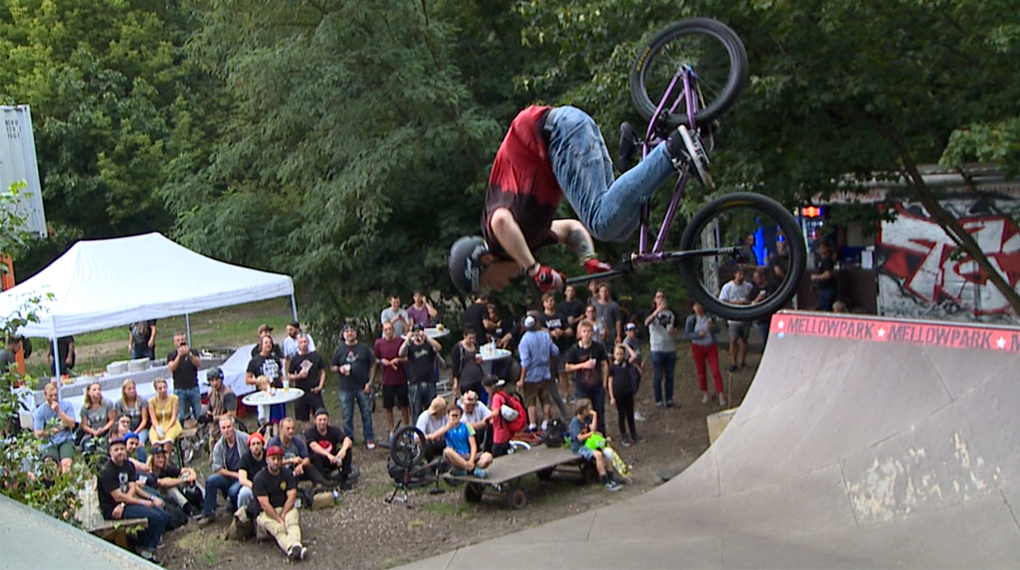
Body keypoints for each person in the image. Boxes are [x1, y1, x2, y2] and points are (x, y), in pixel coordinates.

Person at [448, 105, 710, 293]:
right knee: (620, 229)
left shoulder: (497, 238)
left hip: (557, 136)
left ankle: (671, 149)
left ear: (485, 260)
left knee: (601, 222)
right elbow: (571, 229)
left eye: (487, 283)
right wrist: (588, 257)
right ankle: (649, 150)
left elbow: (501, 222)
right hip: (570, 133)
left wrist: (534, 269)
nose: (498, 287)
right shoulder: (528, 238)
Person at [98, 437, 170, 562]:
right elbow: (117, 496)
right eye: (116, 450)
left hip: (125, 503)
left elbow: (133, 487)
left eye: (122, 449)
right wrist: (141, 502)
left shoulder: (129, 465)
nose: (120, 452)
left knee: (163, 515)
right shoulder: (107, 471)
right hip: (113, 509)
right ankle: (145, 551)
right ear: (110, 453)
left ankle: (144, 544)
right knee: (154, 517)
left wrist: (151, 498)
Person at [252, 445, 306, 561]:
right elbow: (264, 504)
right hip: (265, 513)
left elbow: (292, 496)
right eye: (273, 459)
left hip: (284, 507)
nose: (276, 462)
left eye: (278, 459)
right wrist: (279, 519)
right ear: (267, 460)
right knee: (278, 529)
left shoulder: (286, 474)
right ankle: (291, 547)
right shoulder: (259, 478)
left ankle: (295, 547)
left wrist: (284, 513)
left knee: (292, 523)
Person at [330, 325, 376, 449]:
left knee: (366, 413)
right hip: (345, 388)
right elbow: (332, 366)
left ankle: (369, 438)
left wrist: (370, 382)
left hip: (362, 386)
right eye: (347, 331)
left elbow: (373, 364)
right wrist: (339, 368)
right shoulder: (339, 349)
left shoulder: (364, 348)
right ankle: (349, 439)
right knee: (347, 415)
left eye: (352, 331)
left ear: (356, 333)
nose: (349, 333)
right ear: (343, 334)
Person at [563, 319, 610, 434]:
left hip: (597, 386)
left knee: (599, 413)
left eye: (589, 331)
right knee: (583, 413)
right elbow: (568, 367)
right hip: (581, 387)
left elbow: (604, 364)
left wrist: (605, 382)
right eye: (584, 331)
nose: (587, 334)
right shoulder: (574, 349)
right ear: (580, 333)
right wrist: (582, 365)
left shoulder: (598, 347)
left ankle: (601, 437)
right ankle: (584, 435)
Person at [200, 416, 249, 525]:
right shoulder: (219, 446)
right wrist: (234, 474)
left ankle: (233, 507)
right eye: (223, 428)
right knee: (211, 480)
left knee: (233, 491)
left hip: (244, 476)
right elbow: (217, 468)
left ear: (233, 427)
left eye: (228, 427)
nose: (226, 430)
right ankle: (209, 513)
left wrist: (242, 474)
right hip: (230, 476)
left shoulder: (244, 439)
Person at [568, 399, 621, 492]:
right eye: (588, 409)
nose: (590, 411)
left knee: (608, 451)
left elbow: (592, 428)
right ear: (583, 410)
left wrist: (595, 415)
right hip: (580, 446)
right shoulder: (575, 423)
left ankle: (611, 477)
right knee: (598, 455)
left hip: (590, 443)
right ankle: (604, 480)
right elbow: (579, 438)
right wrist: (591, 434)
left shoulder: (586, 419)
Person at [518, 314, 560, 431]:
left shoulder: (524, 340)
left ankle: (533, 424)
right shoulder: (545, 336)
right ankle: (546, 421)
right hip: (545, 373)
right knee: (545, 399)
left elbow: (525, 361)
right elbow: (555, 351)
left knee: (530, 400)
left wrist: (522, 379)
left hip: (531, 376)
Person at [268, 417, 330, 491]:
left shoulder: (297, 441)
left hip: (296, 470)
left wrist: (301, 465)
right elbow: (271, 463)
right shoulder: (274, 443)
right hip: (280, 471)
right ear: (281, 430)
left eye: (292, 428)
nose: (291, 431)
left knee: (309, 467)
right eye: (288, 429)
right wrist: (291, 460)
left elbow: (306, 458)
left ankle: (322, 485)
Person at [373, 321, 409, 440]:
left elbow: (407, 358)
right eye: (386, 329)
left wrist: (398, 360)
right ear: (383, 330)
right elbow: (375, 359)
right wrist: (382, 361)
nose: (388, 331)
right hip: (387, 380)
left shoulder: (400, 341)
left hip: (401, 379)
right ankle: (392, 430)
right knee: (388, 407)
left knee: (404, 405)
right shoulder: (379, 343)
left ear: (393, 329)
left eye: (390, 329)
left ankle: (406, 428)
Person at [435, 404, 492, 478]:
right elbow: (434, 436)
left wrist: (471, 460)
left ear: (460, 416)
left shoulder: (467, 426)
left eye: (457, 415)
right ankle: (472, 470)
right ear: (448, 416)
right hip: (455, 456)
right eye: (453, 415)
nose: (455, 418)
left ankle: (466, 469)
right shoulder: (445, 428)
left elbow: (473, 445)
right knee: (447, 451)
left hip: (467, 454)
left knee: (488, 457)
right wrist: (448, 427)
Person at [685, 301, 725, 406]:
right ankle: (705, 393)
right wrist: (697, 335)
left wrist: (713, 327)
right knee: (701, 372)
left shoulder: (709, 317)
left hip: (710, 346)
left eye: (699, 305)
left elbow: (718, 329)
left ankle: (721, 394)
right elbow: (687, 335)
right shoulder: (691, 320)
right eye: (695, 305)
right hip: (697, 347)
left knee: (715, 370)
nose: (697, 308)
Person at [400, 324, 443, 420]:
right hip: (415, 384)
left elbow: (439, 347)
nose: (417, 335)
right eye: (415, 332)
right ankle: (417, 433)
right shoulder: (410, 347)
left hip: (430, 382)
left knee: (432, 410)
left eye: (419, 331)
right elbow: (400, 353)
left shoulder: (429, 345)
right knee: (416, 411)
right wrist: (408, 339)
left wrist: (427, 338)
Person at [304, 408, 354, 490]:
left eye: (324, 419)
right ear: (315, 421)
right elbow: (313, 446)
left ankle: (344, 479)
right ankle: (323, 481)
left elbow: (347, 440)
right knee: (315, 456)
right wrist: (328, 455)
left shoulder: (334, 430)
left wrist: (343, 450)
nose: (322, 422)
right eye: (320, 420)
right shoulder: (310, 432)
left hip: (333, 459)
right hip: (319, 461)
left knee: (348, 450)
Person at [644, 289, 678, 408]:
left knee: (670, 376)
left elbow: (675, 327)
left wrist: (673, 331)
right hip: (657, 348)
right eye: (658, 297)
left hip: (670, 348)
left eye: (663, 297)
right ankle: (658, 400)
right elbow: (646, 323)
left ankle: (669, 399)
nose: (661, 299)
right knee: (658, 376)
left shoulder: (671, 314)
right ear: (654, 300)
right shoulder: (651, 313)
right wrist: (657, 311)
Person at [32, 382, 76, 473]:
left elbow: (72, 424)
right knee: (51, 466)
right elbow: (38, 433)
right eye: (50, 395)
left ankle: (66, 484)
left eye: (55, 395)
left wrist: (59, 411)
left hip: (65, 439)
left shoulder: (66, 405)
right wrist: (55, 430)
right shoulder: (39, 412)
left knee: (66, 464)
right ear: (45, 395)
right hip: (49, 443)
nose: (53, 398)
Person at [146, 446, 201, 516]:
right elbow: (163, 483)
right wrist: (184, 480)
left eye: (162, 457)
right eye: (158, 457)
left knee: (186, 474)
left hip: (171, 494)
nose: (161, 460)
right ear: (152, 459)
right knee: (170, 488)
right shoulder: (149, 472)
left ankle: (205, 498)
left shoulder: (165, 468)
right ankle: (187, 507)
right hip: (157, 496)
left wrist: (192, 474)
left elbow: (185, 470)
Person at [287, 335, 326, 431]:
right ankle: (308, 437)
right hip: (301, 392)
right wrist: (298, 376)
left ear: (308, 343)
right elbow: (290, 376)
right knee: (304, 419)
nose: (303, 344)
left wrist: (320, 386)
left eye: (305, 342)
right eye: (301, 342)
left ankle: (320, 435)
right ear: (298, 344)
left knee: (320, 414)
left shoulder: (316, 356)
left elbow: (323, 372)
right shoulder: (295, 359)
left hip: (314, 390)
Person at [718, 270, 752, 371]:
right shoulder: (728, 287)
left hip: (745, 316)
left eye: (743, 274)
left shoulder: (748, 286)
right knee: (733, 339)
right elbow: (722, 300)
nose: (741, 276)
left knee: (744, 339)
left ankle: (742, 361)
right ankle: (734, 362)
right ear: (735, 274)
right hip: (733, 318)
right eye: (739, 274)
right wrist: (735, 303)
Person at [608, 345, 640, 446]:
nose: (619, 356)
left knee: (630, 413)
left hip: (628, 391)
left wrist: (626, 346)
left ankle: (633, 433)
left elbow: (634, 356)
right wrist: (612, 396)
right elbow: (610, 382)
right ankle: (624, 435)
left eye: (621, 354)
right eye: (617, 354)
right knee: (621, 415)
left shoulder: (626, 363)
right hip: (618, 393)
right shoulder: (612, 367)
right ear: (614, 355)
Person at [247, 335, 285, 422]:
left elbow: (280, 374)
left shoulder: (275, 359)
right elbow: (247, 379)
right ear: (261, 345)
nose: (268, 345)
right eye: (266, 343)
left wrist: (283, 379)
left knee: (279, 419)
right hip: (264, 395)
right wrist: (260, 381)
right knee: (266, 420)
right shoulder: (254, 361)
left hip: (277, 392)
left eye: (270, 343)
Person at [167, 332, 202, 426]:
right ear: (175, 343)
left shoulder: (193, 352)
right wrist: (179, 356)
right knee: (180, 416)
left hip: (193, 387)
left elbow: (198, 364)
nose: (180, 342)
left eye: (182, 340)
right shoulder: (172, 355)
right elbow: (171, 368)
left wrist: (189, 354)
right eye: (178, 341)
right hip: (179, 389)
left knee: (199, 413)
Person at [481, 377, 514, 457]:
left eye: (486, 388)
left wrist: (486, 418)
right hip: (506, 428)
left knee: (497, 452)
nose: (486, 390)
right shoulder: (502, 394)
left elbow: (496, 412)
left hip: (499, 429)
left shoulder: (496, 397)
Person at [80, 381, 116, 455]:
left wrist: (103, 429)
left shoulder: (107, 403)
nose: (98, 391)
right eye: (94, 390)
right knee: (87, 449)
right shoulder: (84, 408)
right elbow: (84, 425)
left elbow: (112, 420)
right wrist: (94, 432)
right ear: (89, 392)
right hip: (93, 432)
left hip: (106, 431)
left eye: (99, 389)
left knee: (104, 448)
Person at [202, 366, 237, 442]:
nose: (215, 383)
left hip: (226, 430)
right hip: (214, 430)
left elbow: (232, 414)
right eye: (212, 380)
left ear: (221, 379)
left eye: (217, 379)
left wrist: (215, 418)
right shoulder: (211, 393)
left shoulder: (228, 393)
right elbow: (210, 409)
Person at [449, 326, 484, 400]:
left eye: (474, 338)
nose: (472, 340)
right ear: (464, 336)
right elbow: (455, 367)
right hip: (465, 380)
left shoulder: (476, 345)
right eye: (470, 338)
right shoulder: (458, 348)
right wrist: (456, 383)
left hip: (478, 377)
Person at [148, 378, 182, 451]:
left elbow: (174, 417)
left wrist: (166, 430)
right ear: (156, 390)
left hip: (171, 423)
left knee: (168, 443)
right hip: (158, 424)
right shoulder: (152, 402)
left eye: (165, 387)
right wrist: (158, 429)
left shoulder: (174, 399)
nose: (163, 390)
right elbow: (153, 418)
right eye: (160, 388)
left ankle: (166, 460)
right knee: (156, 443)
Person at [747, 266, 777, 349]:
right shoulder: (754, 290)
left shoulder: (772, 287)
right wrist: (757, 299)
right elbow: (750, 303)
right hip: (762, 319)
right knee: (765, 339)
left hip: (773, 317)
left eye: (757, 278)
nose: (755, 280)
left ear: (763, 277)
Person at [115, 378, 150, 450]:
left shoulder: (142, 400)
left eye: (133, 388)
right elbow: (120, 421)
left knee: (138, 443)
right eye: (129, 389)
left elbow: (144, 420)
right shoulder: (119, 403)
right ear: (124, 390)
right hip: (126, 429)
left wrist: (135, 432)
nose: (132, 391)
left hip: (141, 429)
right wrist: (127, 432)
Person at [237, 432, 267, 512]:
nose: (256, 447)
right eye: (253, 444)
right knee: (244, 493)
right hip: (251, 486)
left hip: (268, 485)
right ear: (249, 447)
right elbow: (242, 479)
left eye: (258, 443)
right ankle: (242, 515)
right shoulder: (245, 458)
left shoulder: (268, 456)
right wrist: (254, 486)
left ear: (262, 445)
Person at [415, 396, 449, 461]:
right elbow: (417, 438)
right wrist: (430, 436)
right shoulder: (424, 416)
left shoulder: (446, 416)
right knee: (426, 445)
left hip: (444, 441)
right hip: (430, 443)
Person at [593, 283, 622, 348]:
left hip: (611, 334)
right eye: (602, 291)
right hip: (597, 334)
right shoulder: (594, 305)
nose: (604, 293)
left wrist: (618, 335)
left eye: (605, 291)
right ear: (599, 293)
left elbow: (618, 321)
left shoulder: (614, 305)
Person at [812, 241, 838, 311]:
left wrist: (816, 277)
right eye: (820, 247)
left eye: (823, 247)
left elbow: (827, 274)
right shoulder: (821, 260)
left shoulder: (827, 260)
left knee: (826, 309)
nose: (821, 249)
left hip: (827, 290)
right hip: (822, 289)